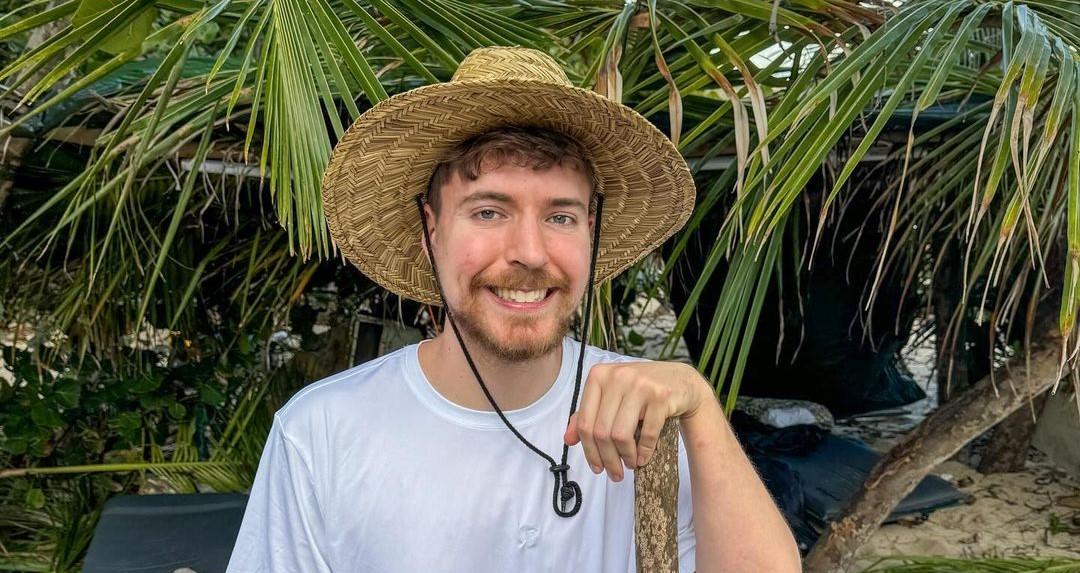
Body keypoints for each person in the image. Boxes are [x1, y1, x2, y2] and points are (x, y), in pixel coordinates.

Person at [226, 46, 800, 572]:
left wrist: (698, 405)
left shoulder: (647, 419)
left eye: (560, 217)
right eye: (488, 212)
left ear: (591, 234)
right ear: (432, 231)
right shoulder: (323, 433)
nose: (528, 253)